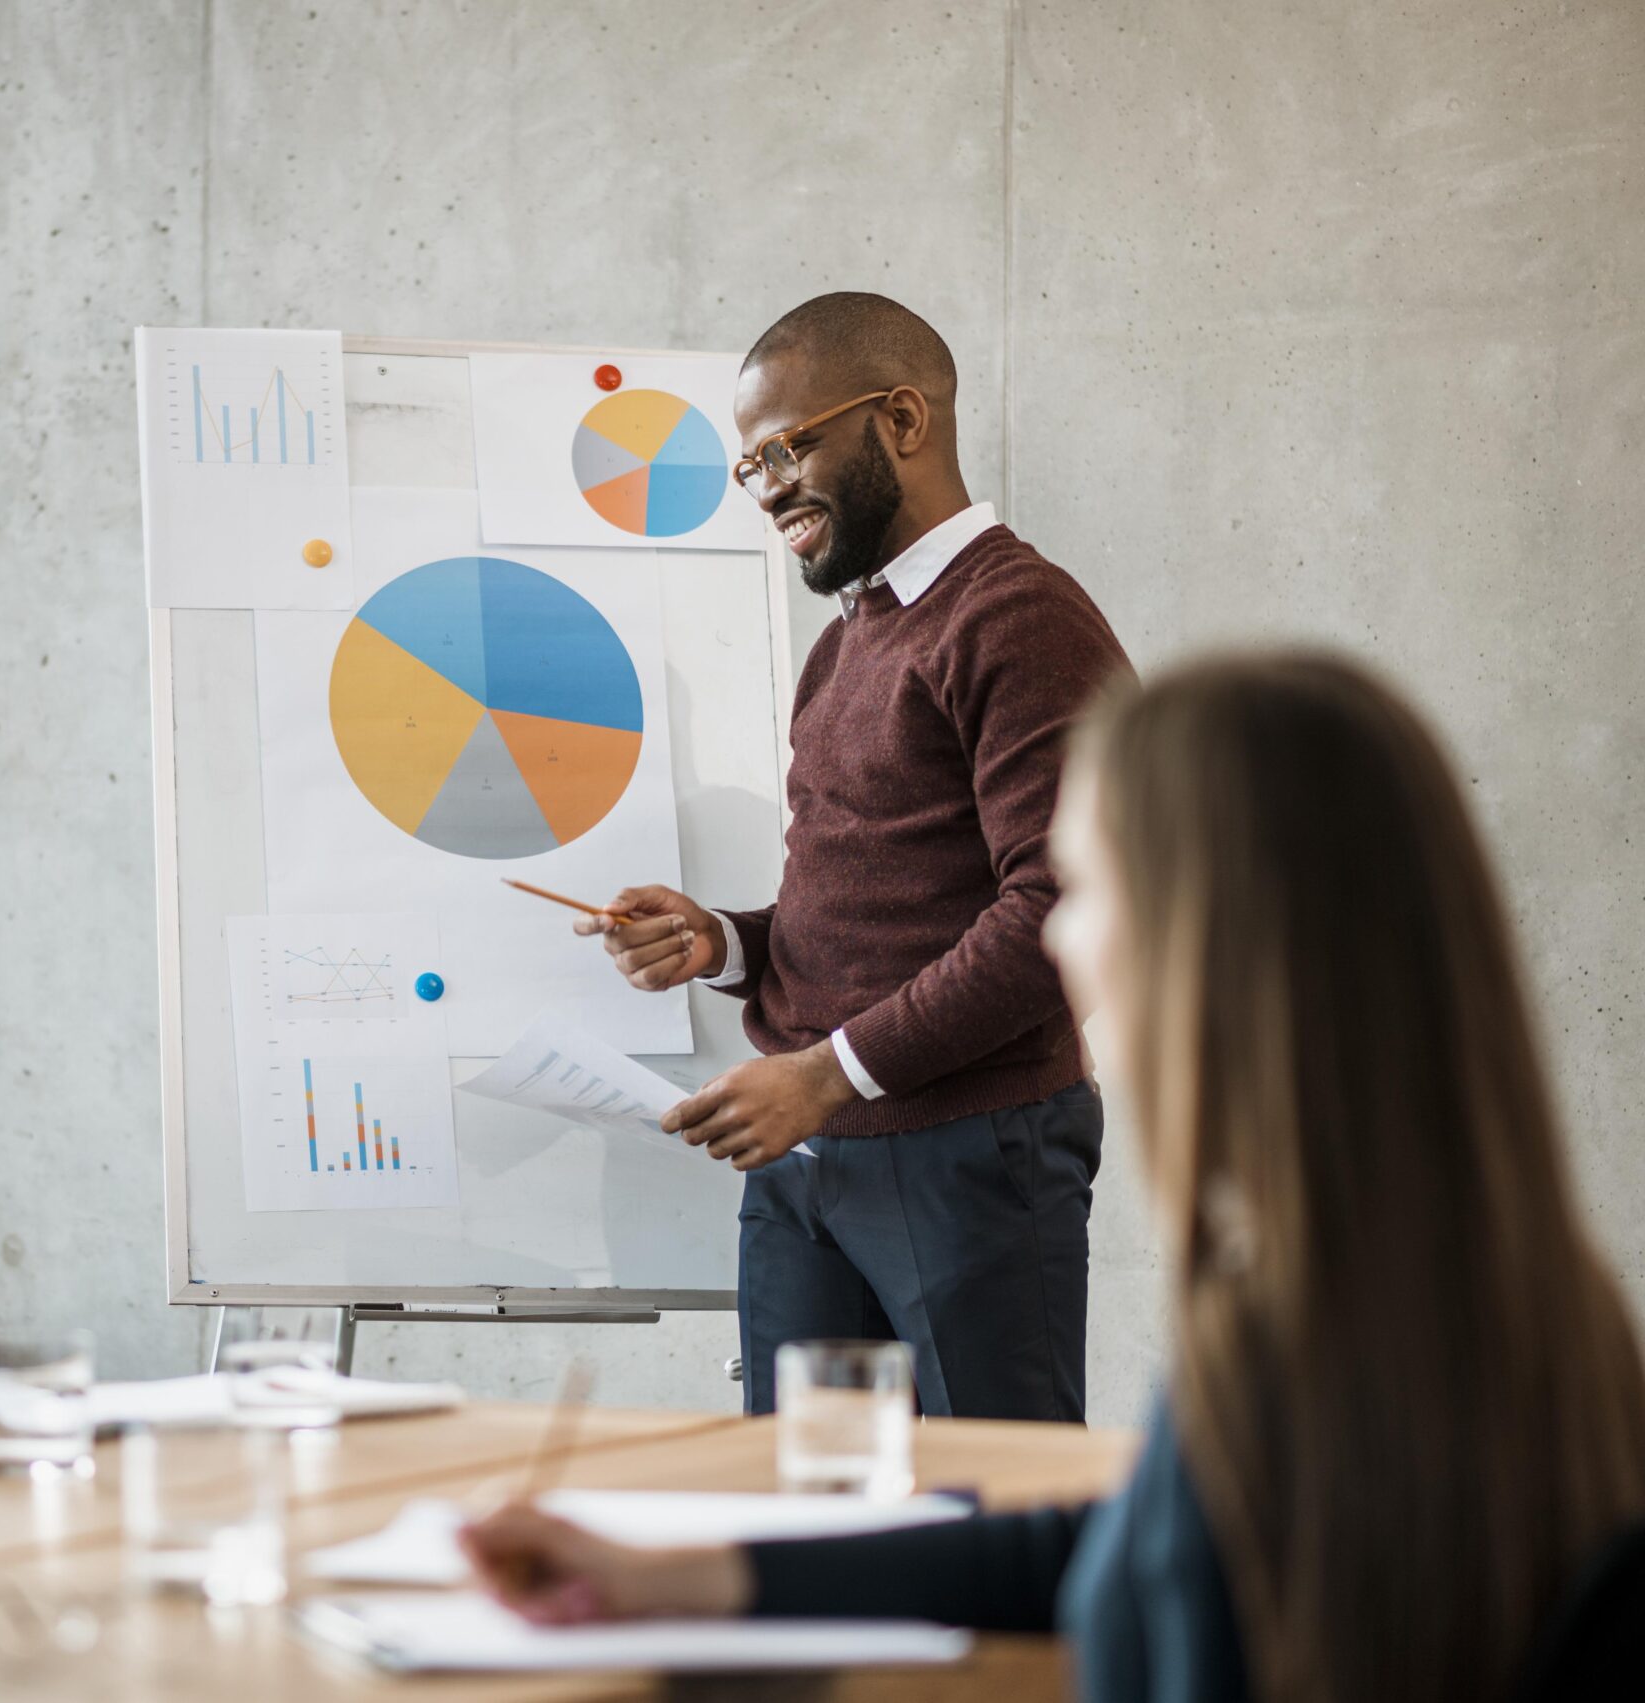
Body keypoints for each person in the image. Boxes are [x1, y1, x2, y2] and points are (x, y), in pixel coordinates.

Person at [467, 651, 1645, 1703]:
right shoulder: (1458, 1290)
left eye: (1086, 890)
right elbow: (1117, 1544)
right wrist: (692, 1574)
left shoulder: (1325, 1337)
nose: (1059, 939)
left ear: (1210, 936)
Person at [582, 292, 1133, 1419]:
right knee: (804, 1498)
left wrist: (826, 1073)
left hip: (969, 1153)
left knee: (995, 1499)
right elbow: (869, 902)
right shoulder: (844, 644)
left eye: (787, 449)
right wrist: (722, 943)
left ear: (902, 420)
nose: (766, 488)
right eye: (750, 467)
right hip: (806, 1160)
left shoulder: (1021, 616)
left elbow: (1064, 909)